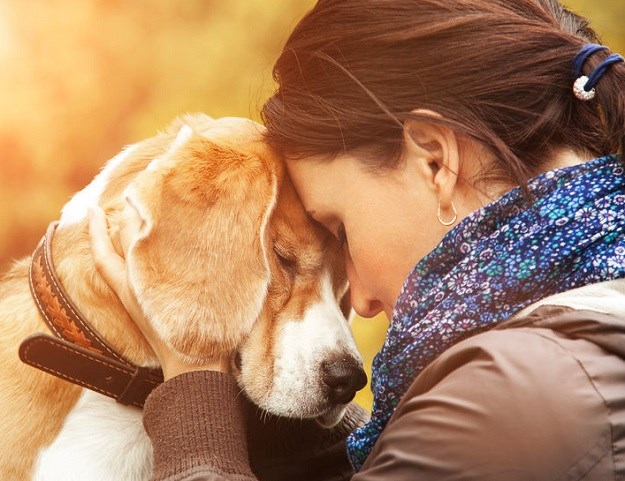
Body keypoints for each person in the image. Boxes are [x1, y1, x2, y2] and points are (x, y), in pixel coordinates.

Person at [89, 0, 625, 479]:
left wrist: (194, 386)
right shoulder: (584, 331)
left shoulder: (517, 395)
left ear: (436, 160)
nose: (363, 303)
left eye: (341, 230)